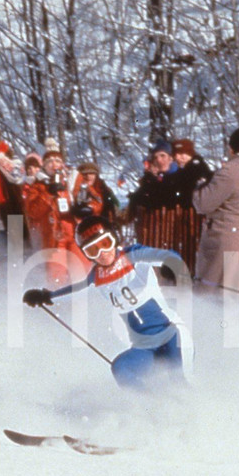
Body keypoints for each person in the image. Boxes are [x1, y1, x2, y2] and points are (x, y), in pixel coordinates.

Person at [22, 216, 192, 390]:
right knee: (121, 369)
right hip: (144, 347)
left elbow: (168, 256)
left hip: (172, 335)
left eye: (105, 243)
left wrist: (169, 264)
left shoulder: (133, 255)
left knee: (178, 382)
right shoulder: (97, 277)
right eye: (93, 250)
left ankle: (190, 403)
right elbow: (77, 290)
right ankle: (150, 405)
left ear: (115, 238)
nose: (102, 253)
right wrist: (46, 296)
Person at [192, 124, 239, 287]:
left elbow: (203, 204)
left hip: (225, 240)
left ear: (232, 149)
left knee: (215, 293)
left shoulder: (229, 172)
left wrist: (199, 185)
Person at [19, 142, 89, 287]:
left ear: (62, 164)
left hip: (74, 233)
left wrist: (83, 207)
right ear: (44, 166)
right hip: (53, 236)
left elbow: (90, 199)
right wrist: (48, 195)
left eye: (57, 160)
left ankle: (86, 295)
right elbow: (32, 212)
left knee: (81, 270)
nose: (54, 164)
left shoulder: (71, 181)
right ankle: (58, 296)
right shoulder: (37, 186)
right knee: (57, 274)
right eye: (49, 161)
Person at [127, 140, 181, 213]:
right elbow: (139, 201)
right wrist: (149, 178)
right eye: (155, 157)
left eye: (162, 155)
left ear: (171, 158)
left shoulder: (180, 177)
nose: (159, 160)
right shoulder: (153, 179)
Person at [169, 139, 211, 208]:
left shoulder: (198, 170)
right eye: (175, 154)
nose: (178, 157)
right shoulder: (179, 171)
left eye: (181, 153)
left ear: (190, 154)